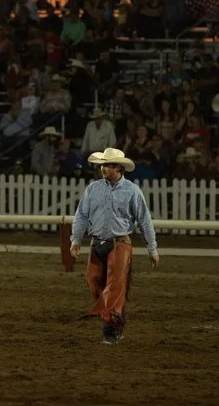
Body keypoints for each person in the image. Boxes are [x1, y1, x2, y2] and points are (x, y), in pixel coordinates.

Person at [70, 147, 159, 345]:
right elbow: (81, 216)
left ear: (119, 168)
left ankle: (110, 327)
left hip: (120, 244)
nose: (103, 169)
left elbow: (144, 220)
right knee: (94, 282)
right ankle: (115, 315)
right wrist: (76, 240)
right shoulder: (93, 189)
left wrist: (152, 248)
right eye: (103, 165)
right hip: (98, 242)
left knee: (114, 285)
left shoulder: (132, 191)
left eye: (108, 165)